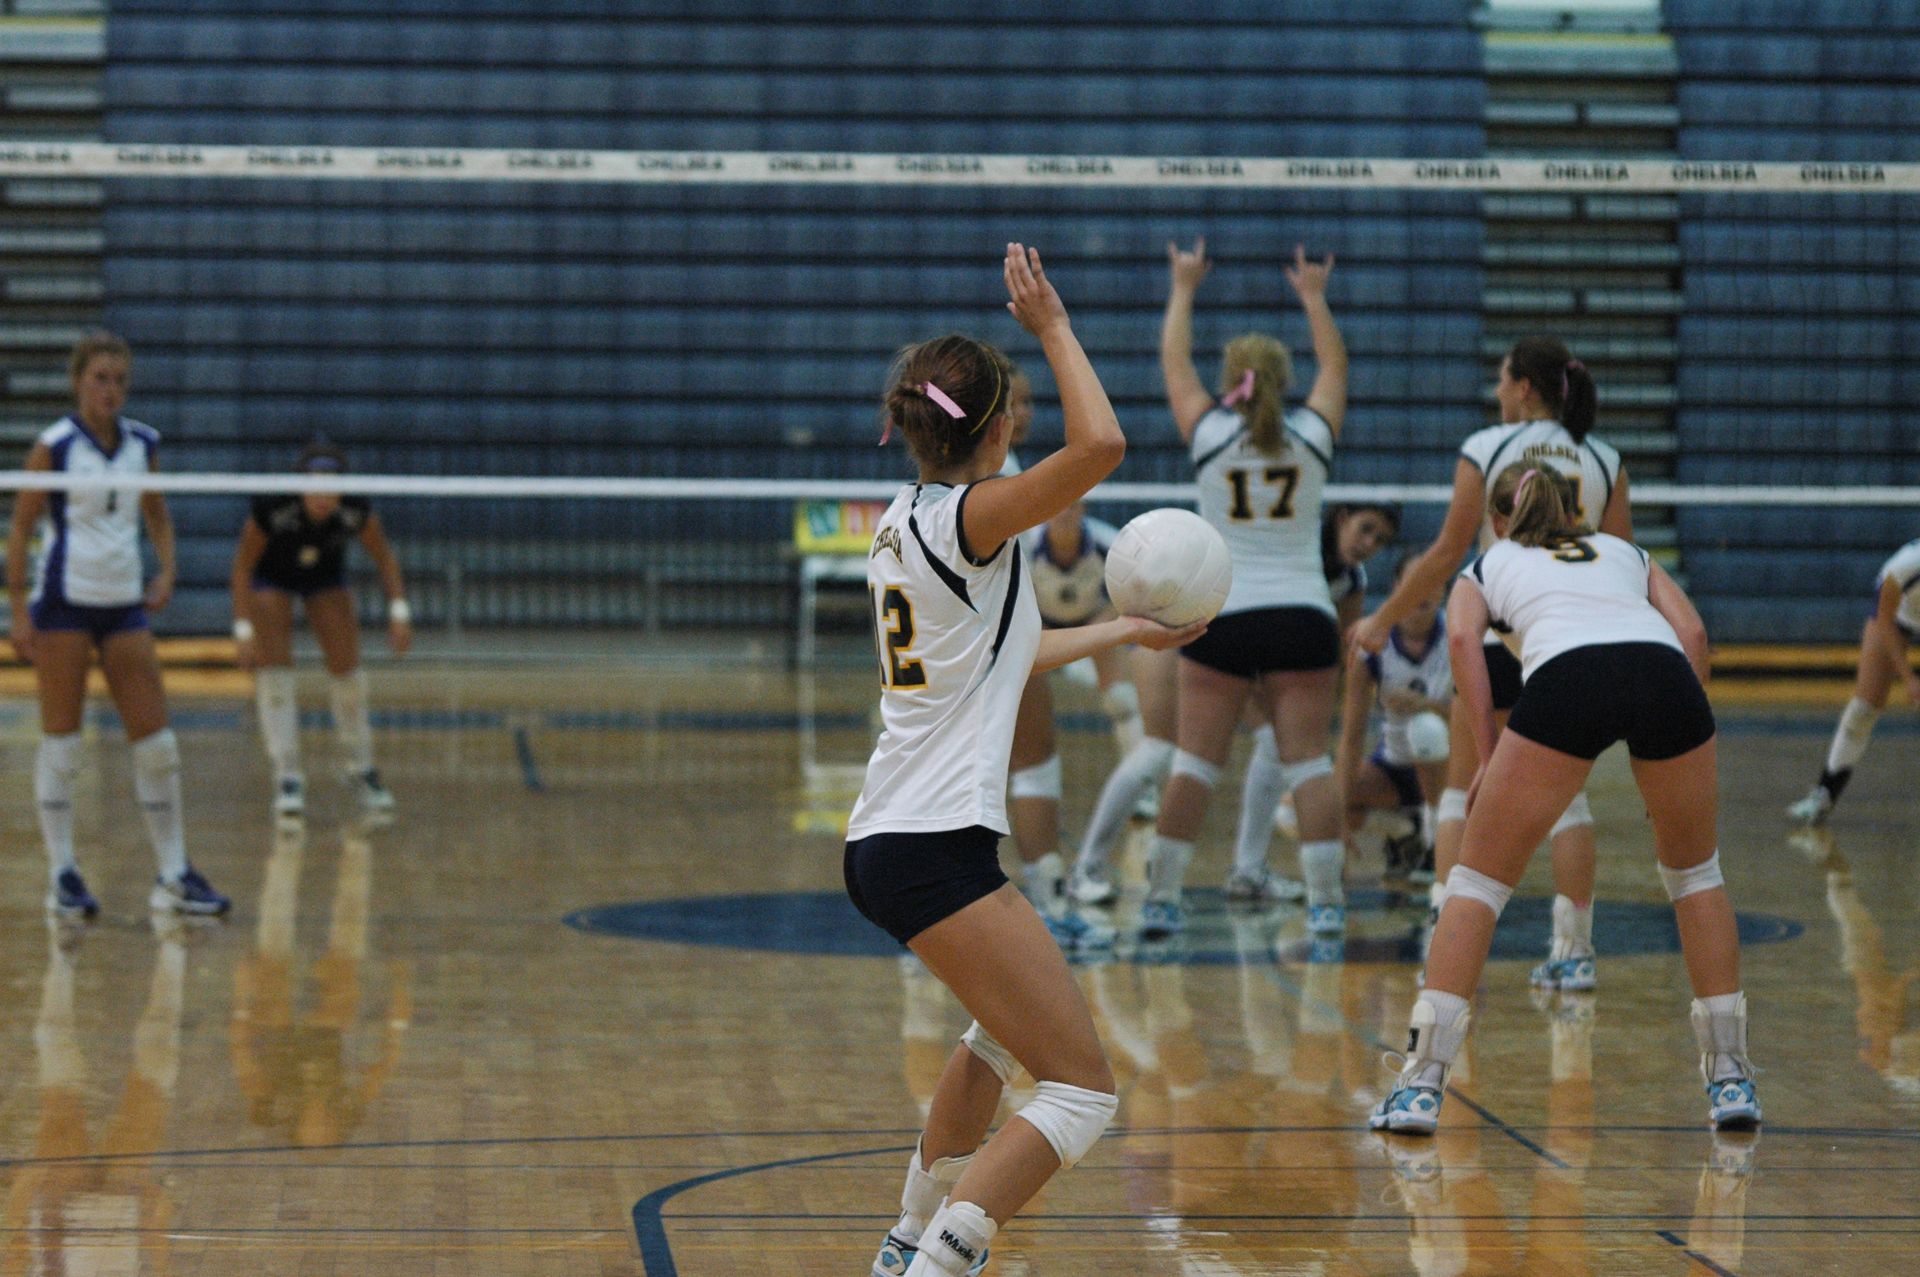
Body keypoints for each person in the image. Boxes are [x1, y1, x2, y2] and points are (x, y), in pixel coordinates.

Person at [847, 244, 1202, 1277]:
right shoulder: (974, 515)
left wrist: (1122, 630)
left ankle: (908, 1234)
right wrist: (1050, 323)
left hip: (891, 836)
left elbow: (1005, 654)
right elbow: (1103, 444)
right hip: (931, 845)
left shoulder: (906, 523)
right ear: (998, 426)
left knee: (997, 1044)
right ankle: (943, 1258)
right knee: (1083, 1089)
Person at [1370, 464, 1761, 1135]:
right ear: (1576, 511)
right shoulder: (1626, 551)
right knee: (1696, 875)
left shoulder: (1489, 563)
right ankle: (1731, 1079)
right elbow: (1693, 634)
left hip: (1569, 675)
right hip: (1664, 673)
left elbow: (1463, 640)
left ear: (1501, 518)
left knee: (1476, 882)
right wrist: (1681, 739)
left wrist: (1491, 751)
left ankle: (1421, 1085)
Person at [1352, 336, 1630, 989]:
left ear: (1524, 387)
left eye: (1503, 378)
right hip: (1571, 640)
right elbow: (1622, 559)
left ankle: (1444, 938)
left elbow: (1449, 551)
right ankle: (1575, 952)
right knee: (1569, 801)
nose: (1497, 389)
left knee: (1460, 789)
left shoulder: (1487, 446)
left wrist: (1381, 619)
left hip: (1503, 633)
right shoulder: (1604, 457)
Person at [1138, 237, 1351, 938]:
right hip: (1301, 613)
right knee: (1308, 763)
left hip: (1221, 613)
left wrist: (1184, 286)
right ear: (1282, 382)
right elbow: (1336, 366)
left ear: (1233, 379)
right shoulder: (1313, 436)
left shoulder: (1208, 435)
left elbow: (1173, 364)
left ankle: (1163, 899)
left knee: (1195, 761)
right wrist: (1314, 298)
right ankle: (1324, 907)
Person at [7, 330, 229, 919]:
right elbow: (21, 528)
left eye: (120, 380)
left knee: (157, 744)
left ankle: (175, 874)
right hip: (63, 605)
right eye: (100, 379)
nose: (111, 391)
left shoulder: (142, 444)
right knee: (63, 742)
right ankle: (62, 876)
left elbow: (156, 513)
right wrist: (18, 611)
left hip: (123, 605)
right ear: (79, 381)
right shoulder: (53, 447)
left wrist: (168, 571)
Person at [1229, 499, 1400, 901]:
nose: (1369, 543)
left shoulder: (1351, 580)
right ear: (1342, 517)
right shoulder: (1295, 545)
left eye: (1380, 540)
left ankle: (1247, 870)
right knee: (1168, 751)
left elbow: (1341, 654)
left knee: (1274, 746)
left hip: (1283, 669)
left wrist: (1326, 712)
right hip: (1229, 645)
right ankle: (1244, 870)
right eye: (1366, 528)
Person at [231, 441, 412, 819]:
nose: (322, 495)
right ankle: (288, 775)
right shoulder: (273, 508)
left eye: (331, 485)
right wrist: (243, 630)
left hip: (324, 578)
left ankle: (361, 768)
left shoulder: (354, 510)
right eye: (314, 484)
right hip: (273, 579)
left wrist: (399, 611)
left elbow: (385, 559)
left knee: (347, 668)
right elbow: (243, 568)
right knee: (275, 672)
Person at [1009, 500, 1129, 949]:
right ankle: (1047, 911)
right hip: (997, 641)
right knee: (1028, 769)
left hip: (947, 650)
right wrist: (1125, 631)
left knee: (1019, 771)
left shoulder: (905, 512)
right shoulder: (996, 484)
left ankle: (1048, 907)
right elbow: (1101, 446)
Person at [1787, 535, 1920, 824]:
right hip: (1894, 618)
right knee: (1865, 707)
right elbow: (1883, 623)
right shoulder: (1905, 566)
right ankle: (1824, 793)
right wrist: (1909, 678)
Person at [1334, 558, 1452, 884]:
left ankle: (1436, 846)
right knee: (1301, 811)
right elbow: (1351, 735)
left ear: (1444, 591)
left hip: (1449, 769)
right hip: (1393, 768)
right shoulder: (1373, 641)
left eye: (1433, 582)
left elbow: (1481, 718)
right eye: (1414, 582)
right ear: (1396, 589)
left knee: (1426, 728)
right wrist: (1339, 818)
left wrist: (1426, 705)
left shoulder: (1460, 634)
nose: (1423, 591)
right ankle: (1409, 832)